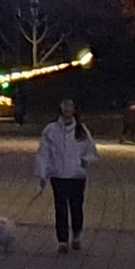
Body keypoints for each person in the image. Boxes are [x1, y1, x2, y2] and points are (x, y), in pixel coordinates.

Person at [35, 100, 94, 251]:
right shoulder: (51, 130)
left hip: (76, 176)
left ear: (74, 110)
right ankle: (62, 240)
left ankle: (76, 234)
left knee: (76, 207)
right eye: (64, 106)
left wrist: (84, 162)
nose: (67, 110)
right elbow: (44, 153)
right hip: (58, 175)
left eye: (70, 107)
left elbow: (90, 149)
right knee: (60, 208)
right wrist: (43, 174)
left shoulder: (81, 131)